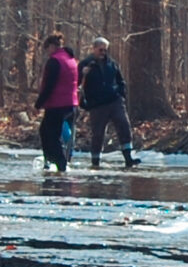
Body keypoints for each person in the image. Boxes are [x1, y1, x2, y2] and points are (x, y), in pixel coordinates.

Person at [79, 38, 140, 168]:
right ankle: (95, 161)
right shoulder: (85, 64)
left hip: (114, 101)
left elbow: (120, 81)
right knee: (98, 134)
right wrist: (82, 74)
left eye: (105, 50)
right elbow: (77, 84)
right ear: (94, 48)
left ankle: (128, 157)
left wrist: (121, 94)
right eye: (100, 49)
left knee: (124, 126)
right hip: (97, 105)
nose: (103, 52)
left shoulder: (112, 63)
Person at [34, 33, 79, 174]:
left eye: (47, 48)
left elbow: (49, 85)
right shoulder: (71, 60)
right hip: (71, 103)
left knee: (51, 136)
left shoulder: (55, 61)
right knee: (46, 131)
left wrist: (38, 104)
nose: (47, 52)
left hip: (57, 104)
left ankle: (60, 164)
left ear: (52, 46)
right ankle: (52, 160)